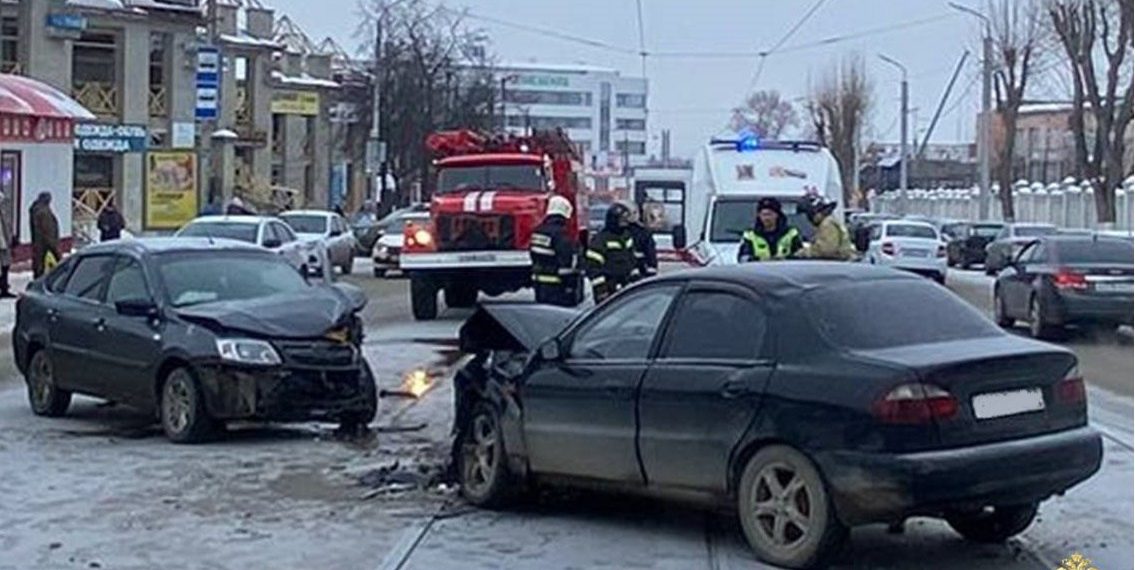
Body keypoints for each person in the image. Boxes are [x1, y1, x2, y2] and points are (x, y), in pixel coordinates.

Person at [529, 195, 581, 307]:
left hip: (539, 286)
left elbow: (533, 254)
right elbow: (566, 262)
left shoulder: (538, 231)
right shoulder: (560, 234)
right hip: (557, 288)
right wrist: (570, 285)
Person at [585, 202, 638, 303]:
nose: (625, 223)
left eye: (625, 220)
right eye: (621, 220)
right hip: (608, 289)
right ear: (613, 220)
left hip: (626, 287)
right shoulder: (600, 240)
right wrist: (601, 290)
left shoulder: (626, 236)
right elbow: (593, 267)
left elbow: (631, 259)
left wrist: (636, 280)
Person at [737, 197, 804, 262]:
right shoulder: (750, 235)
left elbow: (800, 256)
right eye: (764, 215)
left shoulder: (791, 233)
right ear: (759, 215)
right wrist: (760, 260)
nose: (766, 218)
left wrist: (785, 258)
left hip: (786, 269)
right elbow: (743, 258)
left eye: (769, 214)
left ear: (777, 215)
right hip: (758, 269)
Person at [799, 193, 856, 261]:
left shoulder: (827, 225)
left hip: (833, 265)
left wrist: (804, 253)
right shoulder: (829, 222)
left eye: (809, 214)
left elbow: (826, 250)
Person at [624, 202, 659, 279]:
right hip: (636, 270)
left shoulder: (642, 232)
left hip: (636, 270)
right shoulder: (643, 232)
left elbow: (650, 251)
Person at [30, 192, 60, 279]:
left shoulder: (36, 210)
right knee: (41, 266)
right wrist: (54, 247)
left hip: (39, 243)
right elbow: (47, 230)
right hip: (45, 243)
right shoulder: (43, 212)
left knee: (38, 264)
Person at [0, 191, 14, 298]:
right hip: (2, 243)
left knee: (5, 267)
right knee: (3, 267)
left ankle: (4, 288)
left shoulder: (3, 212)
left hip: (4, 243)